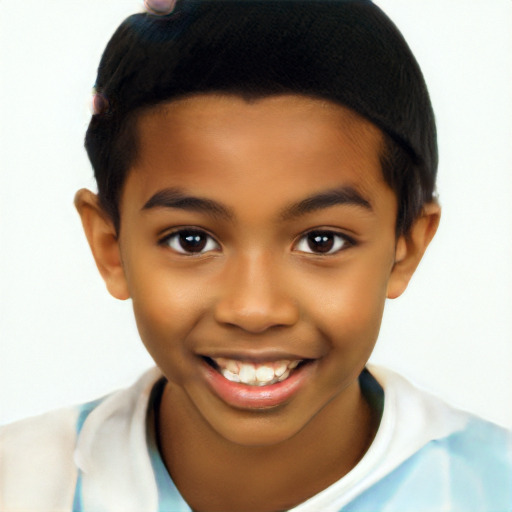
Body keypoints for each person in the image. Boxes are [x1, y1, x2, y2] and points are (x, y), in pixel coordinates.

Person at [1, 1, 511, 511]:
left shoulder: (492, 488)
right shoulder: (20, 484)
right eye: (192, 240)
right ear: (111, 247)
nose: (254, 310)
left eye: (321, 241)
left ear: (407, 248)